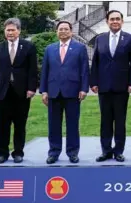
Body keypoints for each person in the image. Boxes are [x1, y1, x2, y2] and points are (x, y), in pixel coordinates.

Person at [0, 18, 37, 164]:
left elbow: (32, 70)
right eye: (7, 30)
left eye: (13, 30)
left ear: (19, 31)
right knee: (2, 125)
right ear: (5, 31)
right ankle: (2, 153)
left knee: (20, 124)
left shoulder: (28, 47)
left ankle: (18, 153)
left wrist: (31, 88)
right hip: (2, 93)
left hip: (22, 93)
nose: (10, 32)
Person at [90, 10, 131, 162]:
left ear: (122, 21)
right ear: (107, 21)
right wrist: (94, 82)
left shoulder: (129, 39)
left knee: (120, 120)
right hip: (103, 87)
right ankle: (106, 151)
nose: (115, 21)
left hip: (122, 87)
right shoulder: (100, 39)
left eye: (117, 19)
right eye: (112, 19)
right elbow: (95, 62)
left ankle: (118, 151)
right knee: (105, 120)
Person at [40, 20, 89, 164]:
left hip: (73, 92)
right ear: (56, 32)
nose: (63, 31)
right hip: (53, 92)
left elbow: (85, 70)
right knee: (53, 125)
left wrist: (84, 88)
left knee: (72, 124)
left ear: (71, 31)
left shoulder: (80, 48)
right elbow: (45, 71)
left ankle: (72, 152)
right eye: (60, 29)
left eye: (66, 29)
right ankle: (53, 152)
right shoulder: (50, 49)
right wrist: (44, 91)